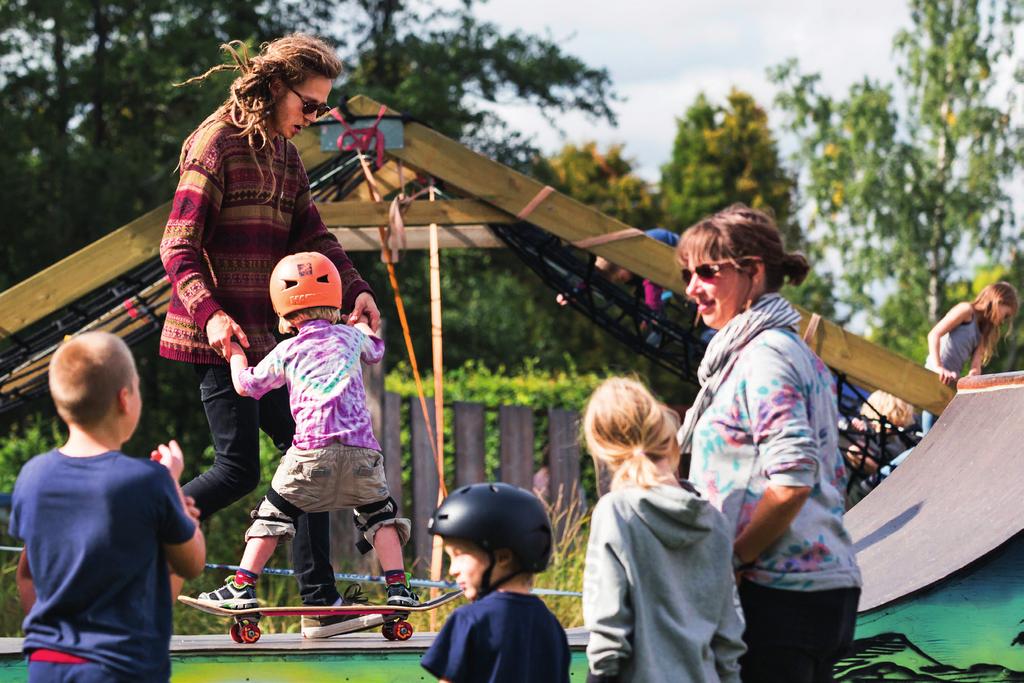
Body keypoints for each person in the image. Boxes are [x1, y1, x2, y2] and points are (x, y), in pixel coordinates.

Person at [159, 34, 382, 637]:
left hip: (275, 343)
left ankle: (319, 604)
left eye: (321, 110)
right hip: (222, 340)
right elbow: (177, 246)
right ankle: (149, 528)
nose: (313, 118)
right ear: (276, 87)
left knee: (307, 457)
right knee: (237, 472)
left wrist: (356, 287)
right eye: (309, 105)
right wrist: (210, 315)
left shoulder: (285, 157)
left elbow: (314, 234)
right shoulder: (215, 145)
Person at [676, 204, 861, 683]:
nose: (692, 287)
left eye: (707, 272)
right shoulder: (783, 350)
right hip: (803, 589)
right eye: (686, 273)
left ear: (753, 271)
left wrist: (733, 559)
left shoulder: (765, 357)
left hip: (778, 596)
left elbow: (794, 480)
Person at [194, 252, 415, 612]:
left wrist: (235, 354)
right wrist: (358, 323)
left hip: (310, 455)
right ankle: (399, 589)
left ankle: (242, 586)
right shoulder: (350, 338)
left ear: (282, 310)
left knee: (273, 515)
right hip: (361, 453)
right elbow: (376, 349)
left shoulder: (287, 350)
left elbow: (247, 386)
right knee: (381, 516)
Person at [10, 332, 205, 682]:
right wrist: (174, 488)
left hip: (47, 664)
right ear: (125, 399)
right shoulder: (147, 481)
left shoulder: (32, 477)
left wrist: (51, 639)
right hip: (121, 667)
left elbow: (27, 574)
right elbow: (191, 563)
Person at [581, 376, 745, 683]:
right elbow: (728, 640)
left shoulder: (617, 513)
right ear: (669, 442)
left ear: (604, 449)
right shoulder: (716, 522)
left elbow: (609, 636)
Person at [421, 483, 570, 683]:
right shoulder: (551, 626)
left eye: (459, 555)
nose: (452, 570)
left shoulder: (469, 620)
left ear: (502, 558)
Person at [921, 282, 1018, 432]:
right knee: (927, 435)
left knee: (941, 432)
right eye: (1006, 315)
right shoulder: (966, 311)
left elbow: (975, 366)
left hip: (949, 381)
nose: (1003, 321)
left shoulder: (983, 331)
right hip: (934, 374)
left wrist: (971, 377)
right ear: (999, 301)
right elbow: (934, 334)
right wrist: (939, 367)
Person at [842, 390, 917, 508]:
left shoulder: (902, 437)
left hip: (891, 486)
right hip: (868, 493)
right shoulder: (870, 434)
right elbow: (859, 455)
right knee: (913, 452)